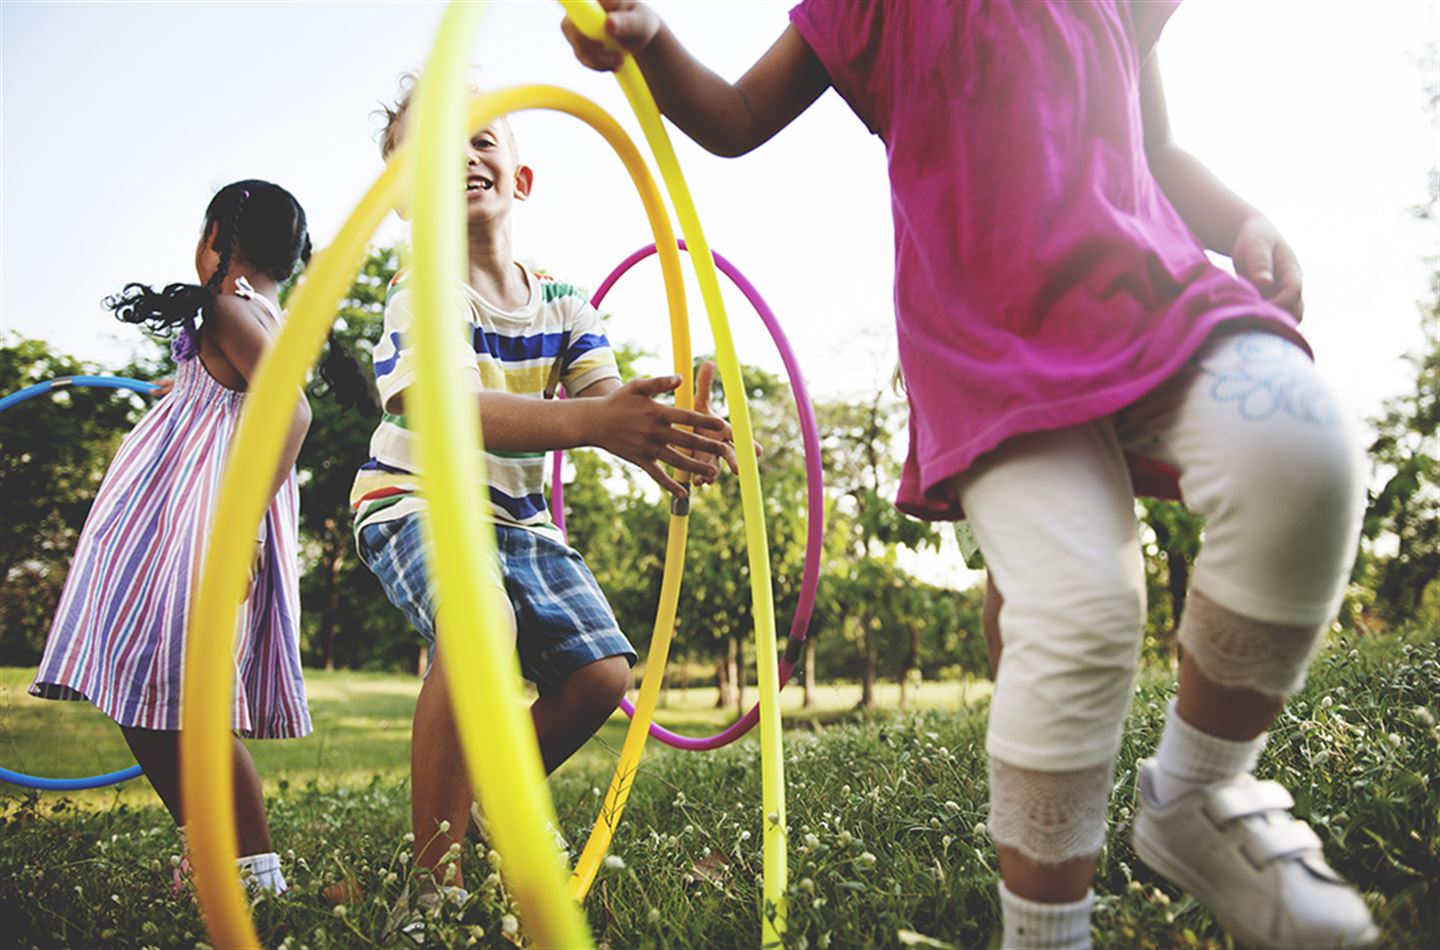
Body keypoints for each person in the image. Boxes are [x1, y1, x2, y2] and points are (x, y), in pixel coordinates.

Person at [564, 4, 1376, 948]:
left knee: (1303, 452)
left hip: (1151, 291)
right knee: (1079, 608)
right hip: (994, 342)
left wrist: (1243, 218)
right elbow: (738, 116)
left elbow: (1156, 145)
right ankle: (1045, 930)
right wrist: (651, 39)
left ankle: (1201, 787)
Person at [351, 77, 738, 906]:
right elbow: (450, 412)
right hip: (417, 498)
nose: (462, 154)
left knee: (600, 677)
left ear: (519, 179)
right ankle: (431, 878)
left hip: (518, 518)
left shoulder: (566, 304)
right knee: (479, 620)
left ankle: (481, 805)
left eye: (483, 139)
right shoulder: (418, 291)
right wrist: (601, 425)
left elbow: (610, 407)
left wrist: (666, 436)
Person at [31, 180, 316, 896]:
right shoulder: (264, 314)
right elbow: (233, 394)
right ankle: (229, 863)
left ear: (215, 237)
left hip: (192, 523)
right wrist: (188, 383)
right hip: (188, 516)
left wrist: (243, 523)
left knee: (169, 699)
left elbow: (290, 410)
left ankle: (245, 871)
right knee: (169, 697)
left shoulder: (225, 303)